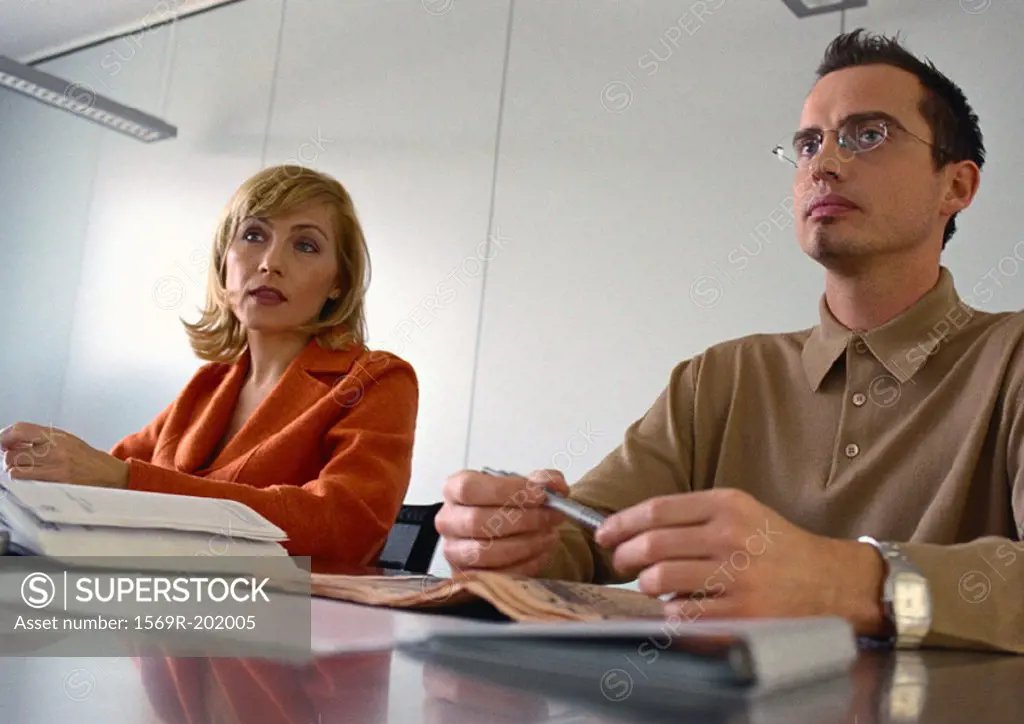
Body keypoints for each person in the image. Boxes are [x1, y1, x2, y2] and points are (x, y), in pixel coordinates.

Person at [436, 29, 1023, 654]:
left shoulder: (1010, 358)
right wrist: (519, 541)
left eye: (868, 135)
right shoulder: (718, 378)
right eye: (807, 144)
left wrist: (844, 582)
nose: (823, 164)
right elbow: (589, 539)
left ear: (956, 187)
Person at [0, 165, 418, 567]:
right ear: (223, 262)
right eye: (253, 235)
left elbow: (345, 529)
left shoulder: (377, 379)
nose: (270, 262)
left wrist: (127, 480)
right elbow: (100, 483)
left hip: (286, 626)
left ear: (338, 282)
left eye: (305, 245)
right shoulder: (210, 383)